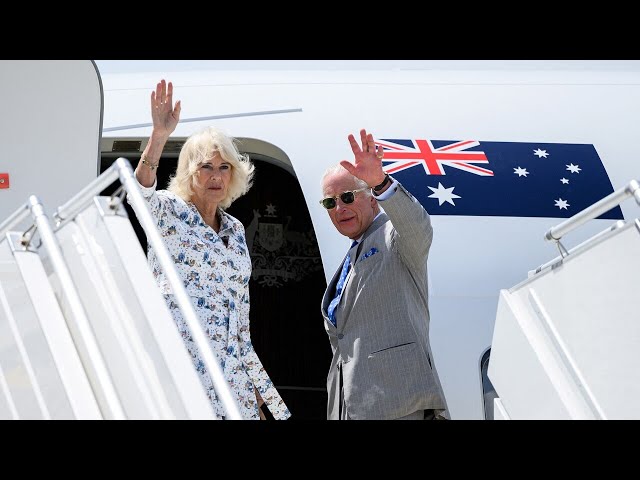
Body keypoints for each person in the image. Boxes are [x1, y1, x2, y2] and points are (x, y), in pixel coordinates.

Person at [129, 79, 290, 420]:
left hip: (232, 375)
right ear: (191, 171)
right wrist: (158, 136)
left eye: (223, 168)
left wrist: (258, 396)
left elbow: (239, 322)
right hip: (182, 369)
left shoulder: (234, 228)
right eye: (206, 167)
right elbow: (138, 195)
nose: (216, 176)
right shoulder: (170, 213)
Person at [319, 128, 448, 420]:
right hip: (353, 409)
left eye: (348, 197)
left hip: (399, 406)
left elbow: (417, 227)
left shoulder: (393, 237)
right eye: (330, 202)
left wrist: (380, 182)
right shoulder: (351, 256)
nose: (340, 208)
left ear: (372, 199)